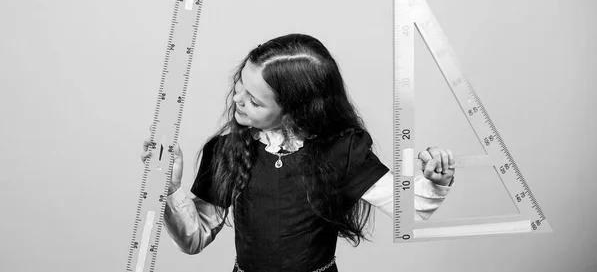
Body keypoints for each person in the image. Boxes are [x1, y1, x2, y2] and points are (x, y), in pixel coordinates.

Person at [140, 33, 456, 272]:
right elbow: (193, 239)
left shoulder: (341, 153)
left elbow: (411, 210)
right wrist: (168, 188)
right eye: (240, 85)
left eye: (254, 100)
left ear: (294, 112)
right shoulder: (227, 150)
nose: (237, 100)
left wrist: (435, 179)